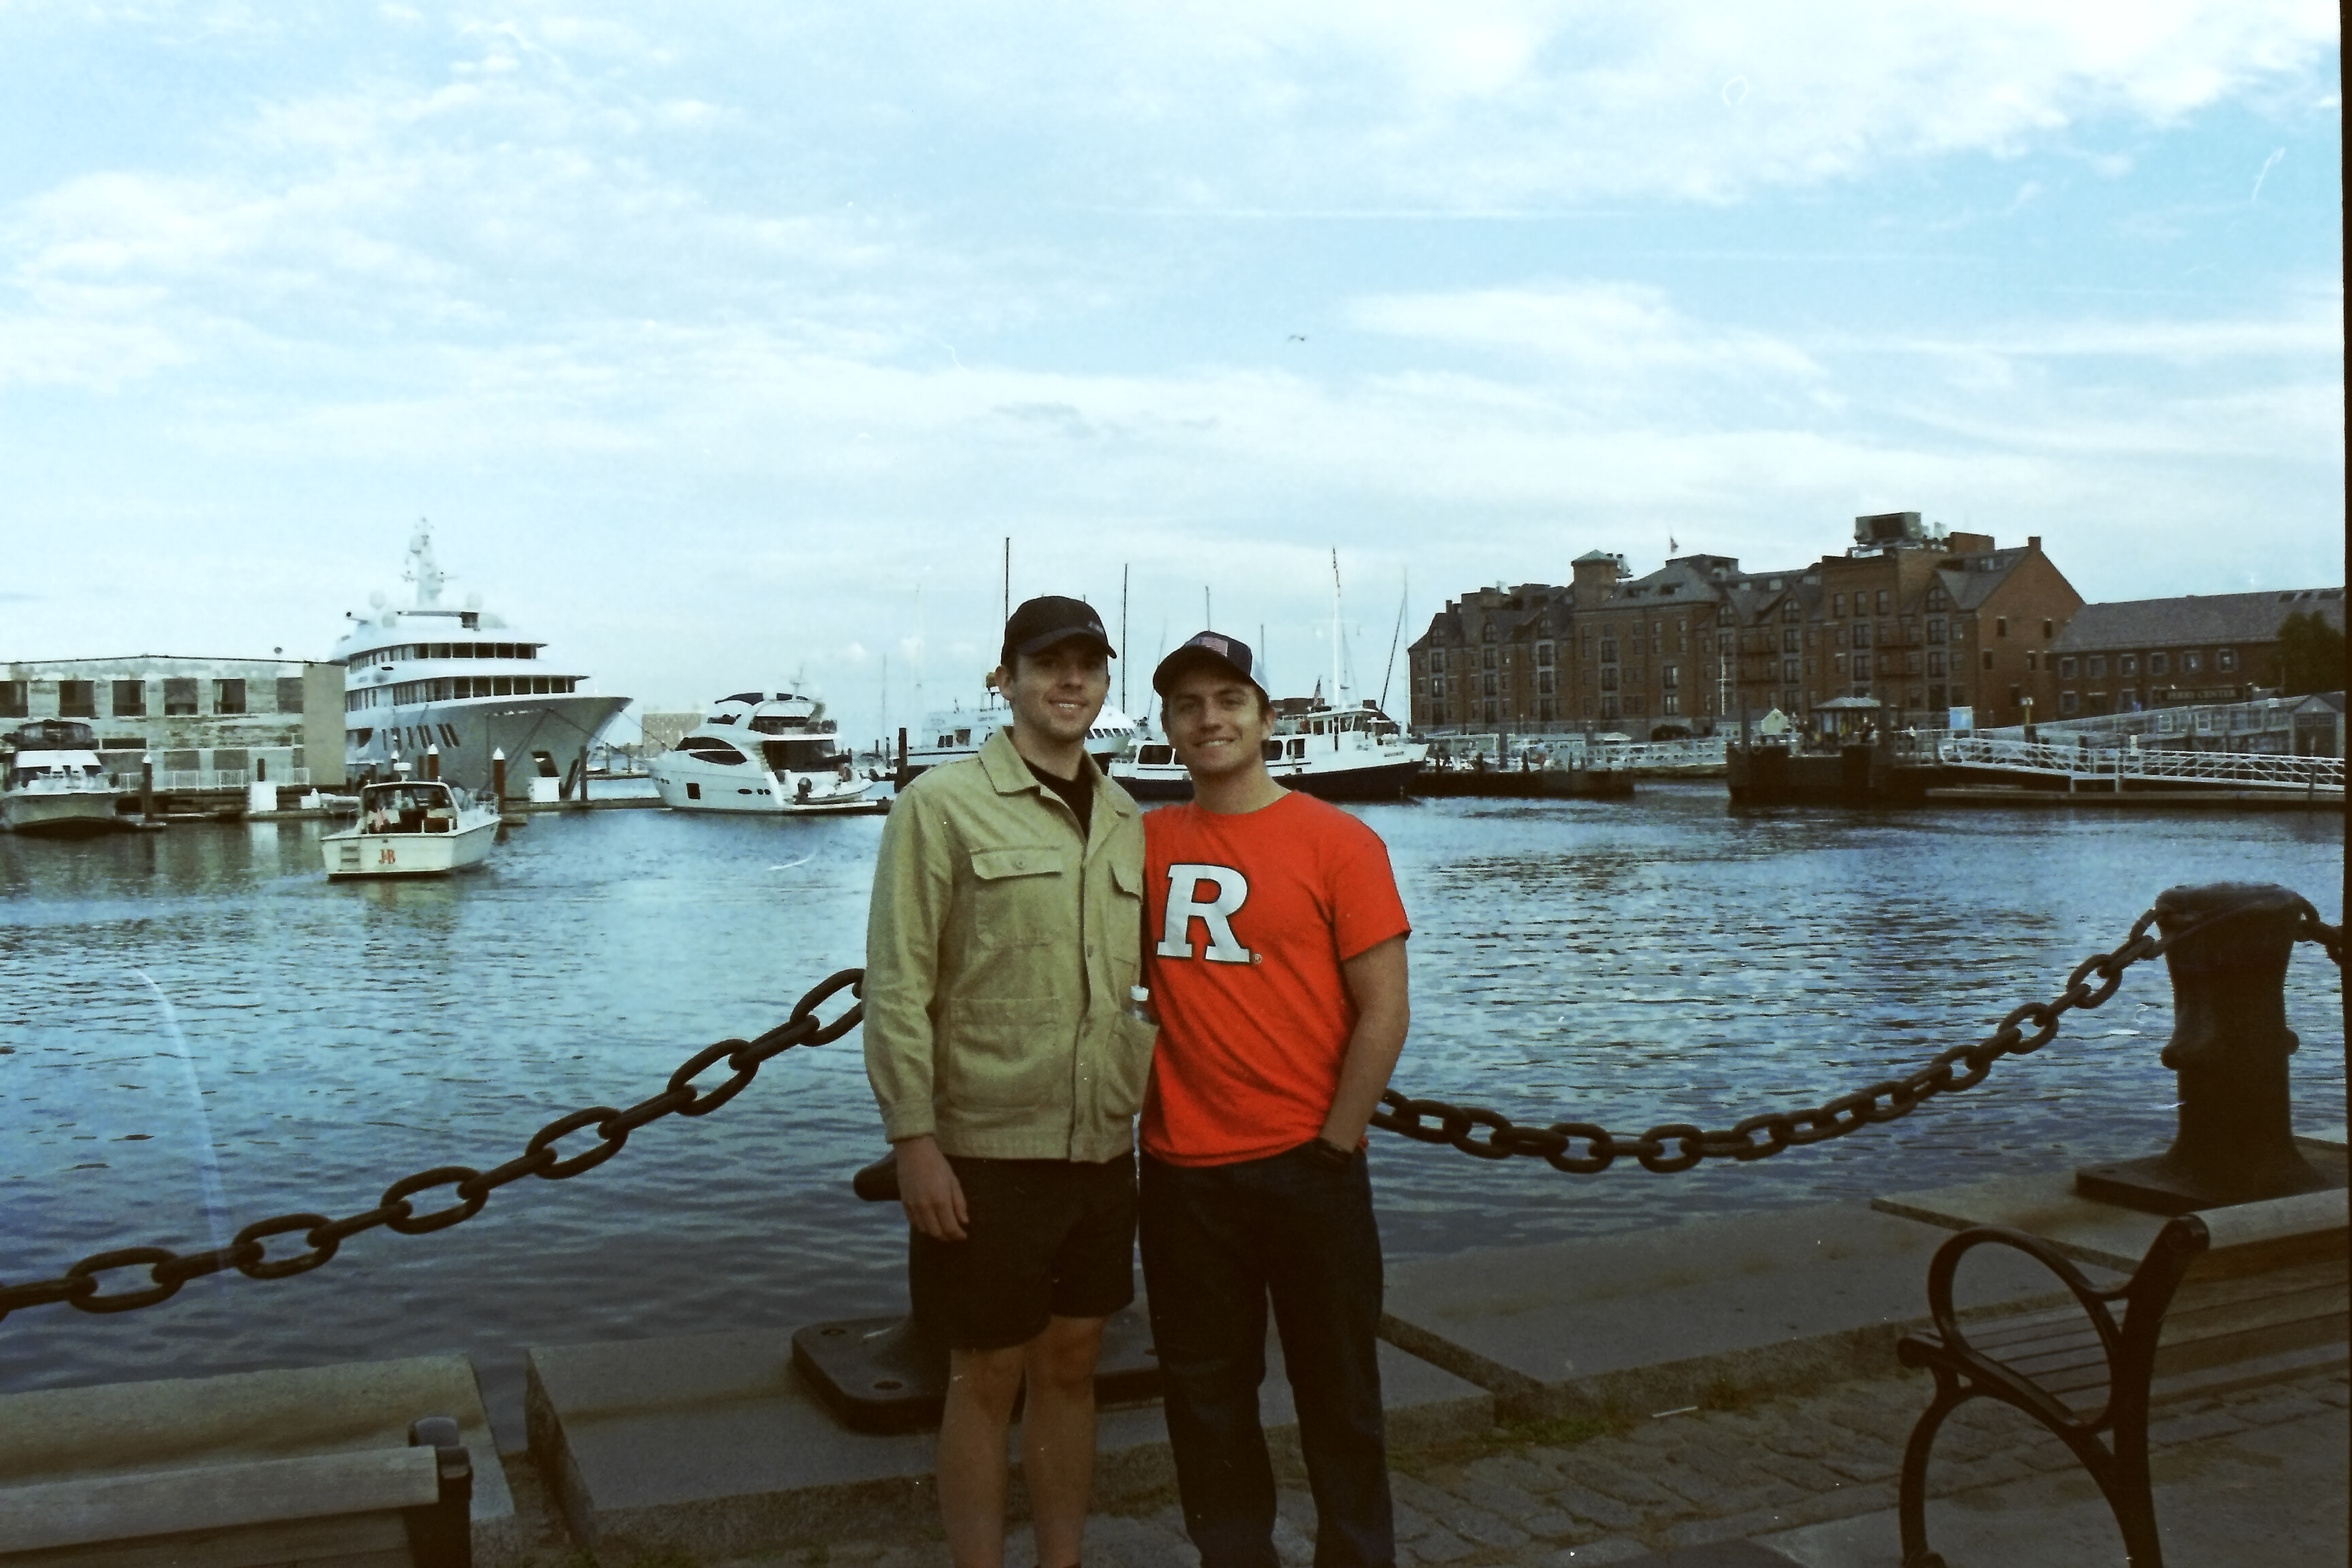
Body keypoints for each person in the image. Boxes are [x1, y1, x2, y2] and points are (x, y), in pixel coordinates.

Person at [862, 595, 1154, 1568]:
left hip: (1100, 1147)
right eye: (1047, 664)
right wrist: (914, 1141)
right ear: (1007, 679)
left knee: (1072, 1365)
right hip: (985, 1150)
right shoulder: (939, 806)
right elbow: (898, 987)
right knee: (984, 1376)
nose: (1071, 681)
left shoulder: (1127, 818)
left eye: (1088, 665)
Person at [1137, 631, 1413, 1568]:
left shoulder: (1339, 841)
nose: (1209, 720)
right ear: (1168, 727)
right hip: (1182, 1175)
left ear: (1265, 719)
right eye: (1188, 706)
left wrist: (1334, 1146)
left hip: (1309, 1168)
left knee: (1340, 1396)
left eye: (1229, 701)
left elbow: (1384, 1010)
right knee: (1205, 1402)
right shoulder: (1146, 844)